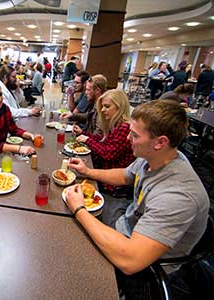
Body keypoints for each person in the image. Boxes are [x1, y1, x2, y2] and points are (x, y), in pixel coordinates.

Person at [65, 100, 209, 299]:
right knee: (69, 234)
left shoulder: (178, 195)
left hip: (144, 265)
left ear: (160, 142)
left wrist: (79, 209)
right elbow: (125, 175)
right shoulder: (154, 156)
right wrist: (88, 171)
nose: (127, 137)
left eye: (134, 135)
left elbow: (131, 261)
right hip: (128, 224)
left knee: (73, 262)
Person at [74, 89, 135, 193]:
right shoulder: (115, 124)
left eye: (107, 106)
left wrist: (87, 139)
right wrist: (83, 133)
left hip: (112, 186)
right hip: (104, 175)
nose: (102, 110)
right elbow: (102, 141)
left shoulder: (125, 128)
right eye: (102, 106)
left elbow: (108, 153)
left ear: (119, 107)